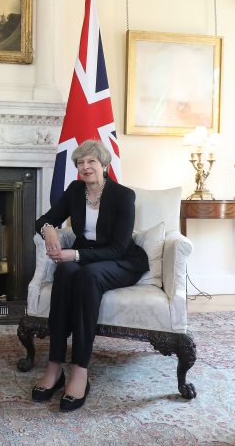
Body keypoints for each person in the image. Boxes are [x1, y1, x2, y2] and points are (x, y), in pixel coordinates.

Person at [32, 139, 149, 412]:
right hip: (85, 258)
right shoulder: (75, 191)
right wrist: (48, 228)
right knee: (65, 270)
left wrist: (75, 255)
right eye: (80, 163)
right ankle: (54, 366)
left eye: (91, 162)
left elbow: (119, 247)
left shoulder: (123, 196)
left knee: (86, 275)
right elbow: (44, 220)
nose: (85, 167)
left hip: (120, 261)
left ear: (104, 165)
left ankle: (80, 371)